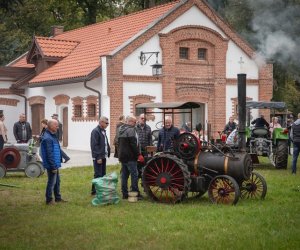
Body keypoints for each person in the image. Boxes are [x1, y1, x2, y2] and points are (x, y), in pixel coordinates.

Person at [40, 119, 66, 205]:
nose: (58, 127)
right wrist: (53, 166)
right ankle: (49, 200)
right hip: (52, 164)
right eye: (56, 125)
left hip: (55, 163)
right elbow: (49, 153)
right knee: (51, 182)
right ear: (51, 126)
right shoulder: (47, 137)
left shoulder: (52, 135)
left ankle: (58, 198)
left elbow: (56, 150)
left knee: (57, 181)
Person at [118, 115, 142, 200]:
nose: (135, 124)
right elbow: (133, 144)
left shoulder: (121, 129)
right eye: (134, 122)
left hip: (122, 156)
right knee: (134, 175)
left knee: (124, 175)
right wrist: (138, 154)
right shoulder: (131, 130)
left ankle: (124, 194)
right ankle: (134, 195)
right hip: (130, 157)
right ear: (130, 121)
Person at [90, 116, 111, 195]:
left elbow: (105, 143)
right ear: (101, 122)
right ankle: (94, 191)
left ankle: (98, 189)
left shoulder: (103, 131)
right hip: (98, 156)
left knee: (102, 173)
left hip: (103, 156)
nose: (107, 125)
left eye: (108, 123)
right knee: (98, 174)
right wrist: (98, 157)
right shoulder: (95, 131)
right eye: (106, 123)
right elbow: (94, 145)